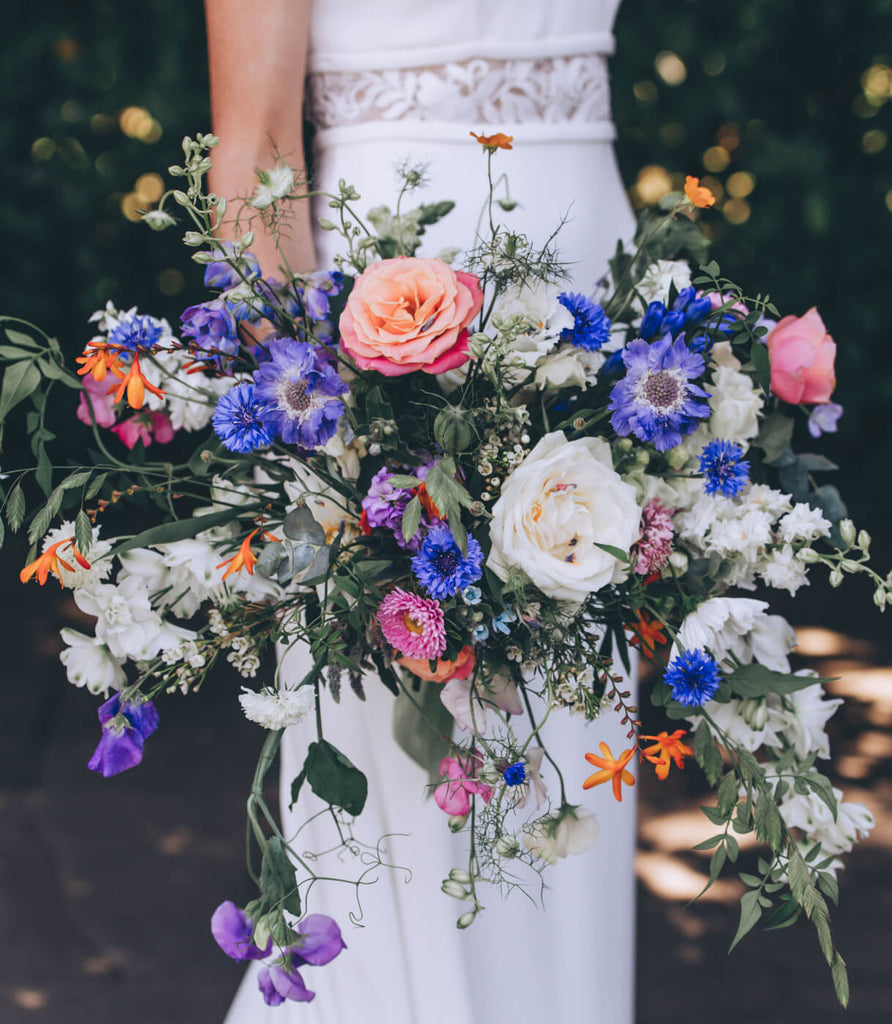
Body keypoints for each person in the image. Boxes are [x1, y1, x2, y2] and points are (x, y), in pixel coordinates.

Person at [206, 2, 638, 1020]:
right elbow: (254, 145)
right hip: (383, 327)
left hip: (587, 302)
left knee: (566, 781)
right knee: (397, 795)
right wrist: (312, 423)